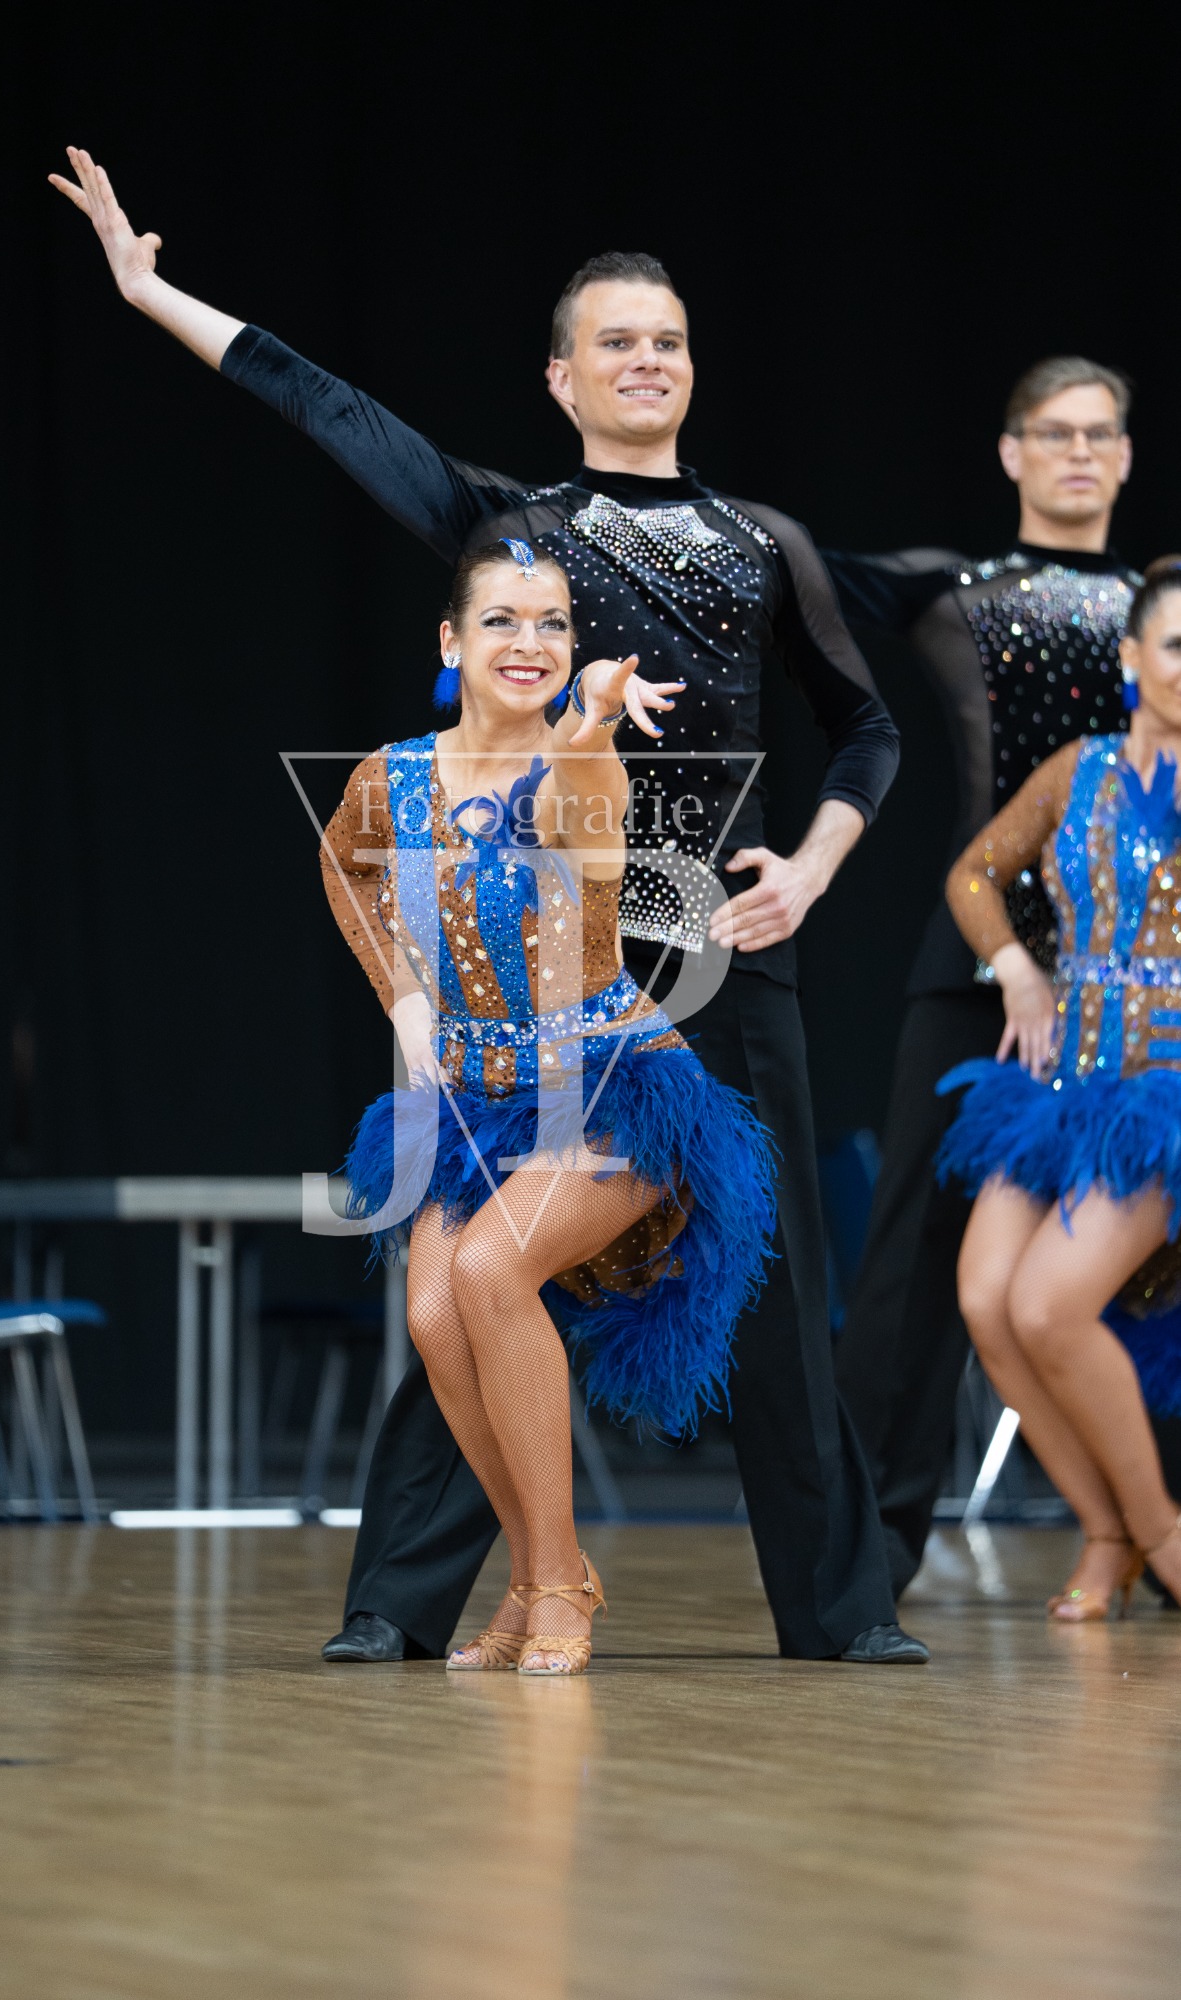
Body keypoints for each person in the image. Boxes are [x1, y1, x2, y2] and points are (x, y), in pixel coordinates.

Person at [50, 147, 927, 1665]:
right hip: (528, 961)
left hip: (710, 945)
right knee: (467, 1273)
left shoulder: (762, 543)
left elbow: (869, 726)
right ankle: (408, 1601)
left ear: (691, 368)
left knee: (777, 1284)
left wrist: (813, 862)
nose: (646, 360)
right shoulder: (517, 528)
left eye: (667, 340)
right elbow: (336, 413)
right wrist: (152, 296)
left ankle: (842, 1611)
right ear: (561, 377)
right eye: (616, 340)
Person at [323, 534, 778, 1672]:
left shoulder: (587, 764)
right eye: (502, 620)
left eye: (553, 624)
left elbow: (578, 782)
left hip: (617, 1088)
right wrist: (405, 1000)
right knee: (434, 1318)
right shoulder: (392, 777)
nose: (529, 642)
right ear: (450, 642)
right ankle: (538, 1580)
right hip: (476, 1105)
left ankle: (560, 1585)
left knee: (488, 1271)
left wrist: (594, 718)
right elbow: (344, 866)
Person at [823, 357, 1140, 1595]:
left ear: (1125, 455)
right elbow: (781, 570)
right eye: (1053, 433)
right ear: (1011, 453)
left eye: (1098, 433)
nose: (1077, 452)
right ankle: (859, 1557)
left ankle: (1147, 1528)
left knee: (1144, 1255)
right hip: (978, 971)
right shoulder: (953, 590)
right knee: (912, 1262)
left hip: (1143, 985)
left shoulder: (1162, 612)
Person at [934, 556, 1181, 1620]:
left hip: (1164, 1102)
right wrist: (1016, 966)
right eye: (1175, 644)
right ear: (1131, 657)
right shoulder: (1078, 768)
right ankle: (1105, 1531)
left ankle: (1161, 1530)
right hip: (1059, 1089)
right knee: (986, 1300)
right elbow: (973, 873)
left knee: (1047, 1304)